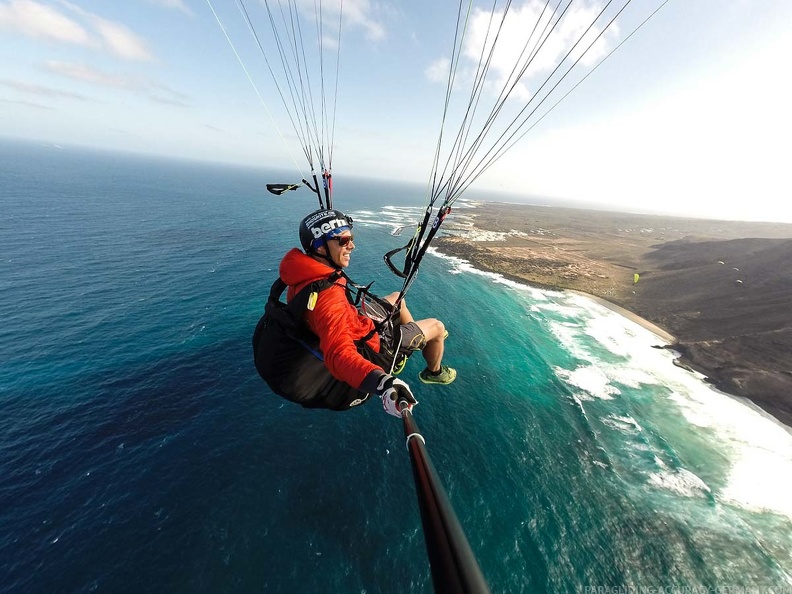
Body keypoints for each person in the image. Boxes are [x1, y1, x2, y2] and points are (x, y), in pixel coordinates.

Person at [277, 208, 456, 417]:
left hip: (355, 323)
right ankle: (433, 371)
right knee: (437, 326)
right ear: (320, 247)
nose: (352, 245)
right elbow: (339, 354)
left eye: (351, 238)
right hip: (371, 348)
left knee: (398, 298)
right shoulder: (327, 298)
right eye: (343, 241)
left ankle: (416, 339)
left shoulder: (304, 274)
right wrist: (383, 382)